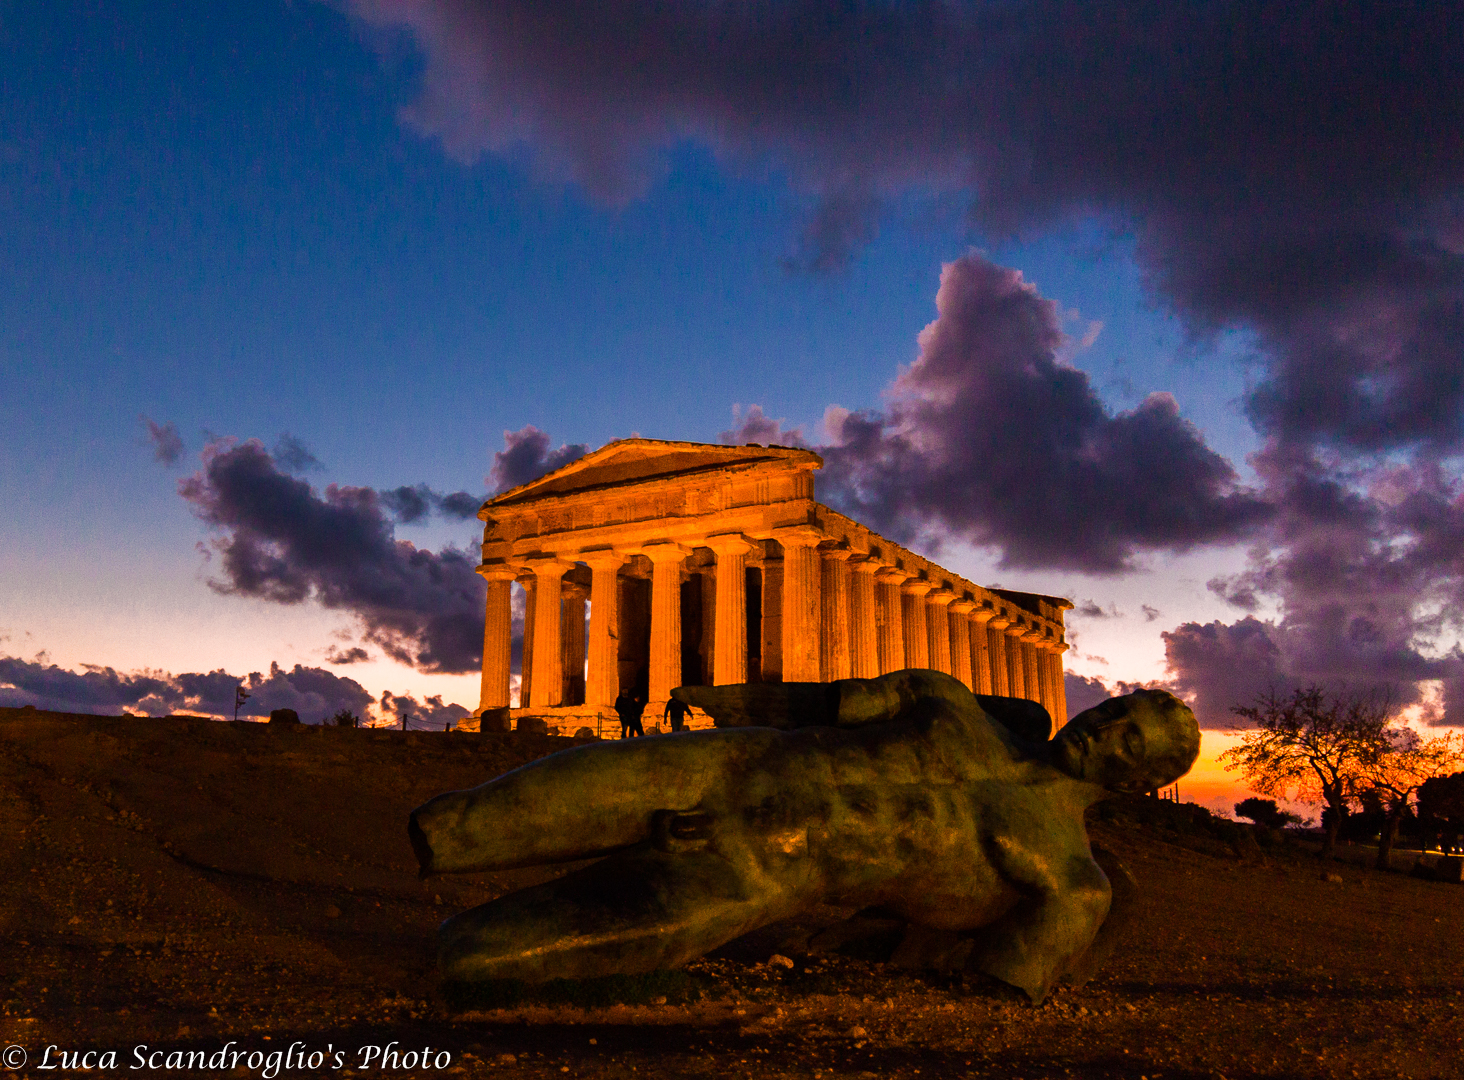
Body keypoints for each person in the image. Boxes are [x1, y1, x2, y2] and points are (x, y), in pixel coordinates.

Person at [409, 670, 1200, 1002]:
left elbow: (990, 980)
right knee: (455, 822)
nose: (1104, 730)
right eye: (1111, 714)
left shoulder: (1071, 879)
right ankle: (451, 844)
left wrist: (864, 950)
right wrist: (725, 696)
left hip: (760, 869)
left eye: (1127, 742)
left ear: (1140, 782)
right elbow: (826, 703)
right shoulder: (950, 701)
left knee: (475, 956)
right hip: (723, 764)